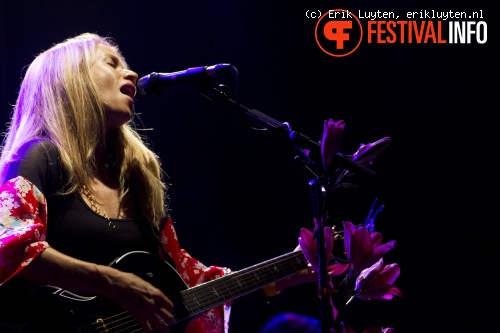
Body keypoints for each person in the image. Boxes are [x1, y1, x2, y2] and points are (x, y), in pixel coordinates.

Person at [0, 33, 320, 333]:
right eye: (111, 63)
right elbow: (9, 245)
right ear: (71, 80)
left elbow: (186, 280)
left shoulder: (135, 181)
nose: (132, 74)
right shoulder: (39, 155)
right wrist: (115, 283)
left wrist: (287, 271)